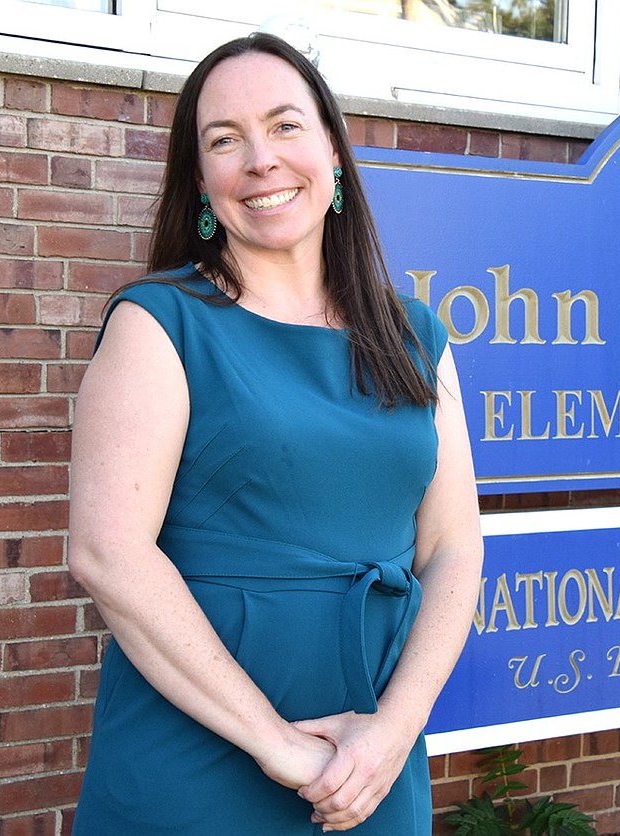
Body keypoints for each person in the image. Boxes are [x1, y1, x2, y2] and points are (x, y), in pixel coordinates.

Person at [68, 32, 483, 834]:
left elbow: (454, 549)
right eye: (225, 140)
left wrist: (393, 733)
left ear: (333, 150)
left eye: (285, 125)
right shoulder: (161, 325)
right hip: (197, 768)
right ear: (201, 181)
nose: (260, 159)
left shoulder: (418, 338)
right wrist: (280, 748)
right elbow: (108, 552)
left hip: (371, 765)